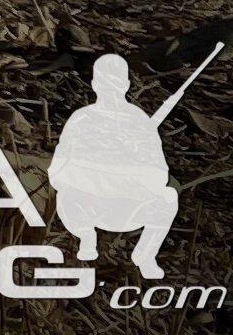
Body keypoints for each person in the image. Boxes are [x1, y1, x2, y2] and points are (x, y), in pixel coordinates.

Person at [52, 53, 185, 279]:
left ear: (125, 85)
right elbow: (60, 166)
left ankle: (145, 256)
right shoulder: (81, 118)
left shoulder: (139, 120)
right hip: (88, 202)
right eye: (104, 82)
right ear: (95, 84)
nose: (110, 88)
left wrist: (131, 163)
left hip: (128, 204)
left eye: (115, 82)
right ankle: (86, 237)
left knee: (169, 196)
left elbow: (158, 171)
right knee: (66, 193)